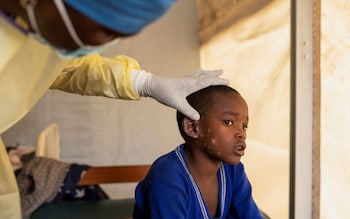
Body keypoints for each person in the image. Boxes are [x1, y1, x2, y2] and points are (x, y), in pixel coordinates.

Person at [0, 1, 229, 218]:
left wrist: (142, 82)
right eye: (109, 31)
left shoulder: (230, 174)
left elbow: (70, 67)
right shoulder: (168, 175)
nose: (104, 45)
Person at [133, 85, 263, 219]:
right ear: (193, 128)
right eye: (228, 122)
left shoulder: (233, 171)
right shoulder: (166, 177)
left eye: (244, 126)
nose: (242, 133)